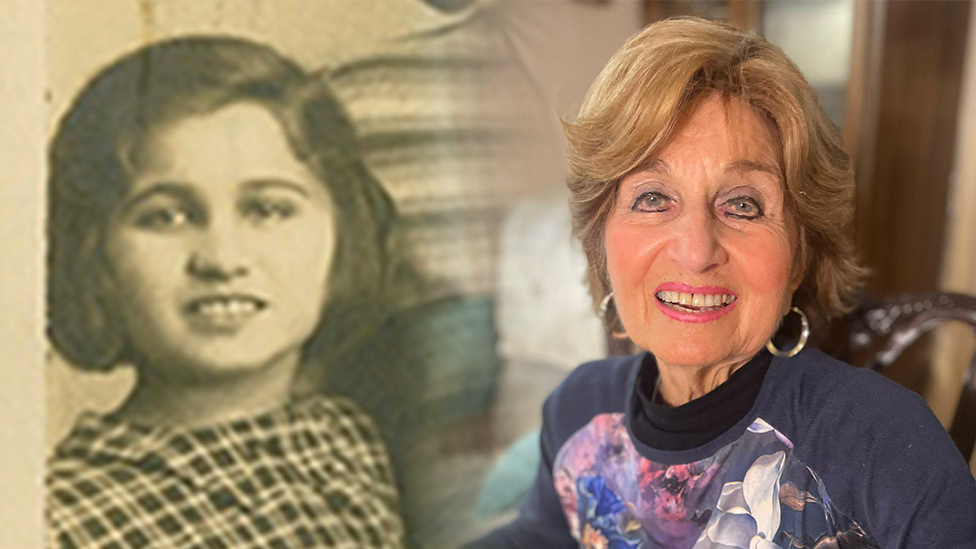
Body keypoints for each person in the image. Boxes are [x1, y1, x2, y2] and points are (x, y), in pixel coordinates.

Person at [472, 17, 976, 549]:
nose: (696, 251)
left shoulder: (880, 439)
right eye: (652, 198)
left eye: (742, 205)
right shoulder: (577, 412)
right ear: (601, 242)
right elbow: (535, 536)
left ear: (800, 254)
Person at [46, 36, 404, 548]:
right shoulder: (64, 518)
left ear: (342, 231)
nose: (222, 259)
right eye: (165, 216)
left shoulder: (350, 442)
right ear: (93, 254)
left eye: (268, 209)